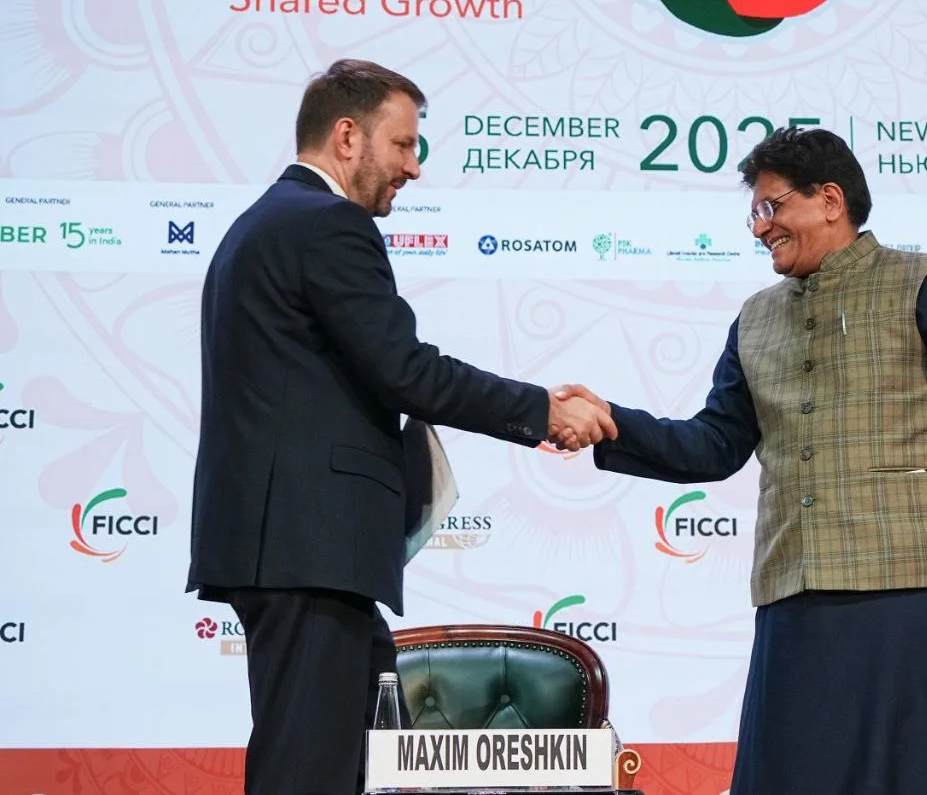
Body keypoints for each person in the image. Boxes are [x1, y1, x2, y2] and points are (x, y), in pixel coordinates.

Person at [557, 127, 927, 795]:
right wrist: (611, 421)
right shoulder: (755, 318)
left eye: (772, 207)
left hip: (923, 598)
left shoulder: (923, 283)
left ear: (830, 200)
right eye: (755, 214)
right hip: (799, 603)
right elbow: (713, 443)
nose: (761, 228)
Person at [187, 58, 615, 795]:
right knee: (307, 770)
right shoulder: (327, 224)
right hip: (307, 550)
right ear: (347, 137)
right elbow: (407, 371)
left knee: (349, 757)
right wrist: (543, 411)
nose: (414, 167)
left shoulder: (265, 222)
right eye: (404, 144)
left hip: (298, 551)